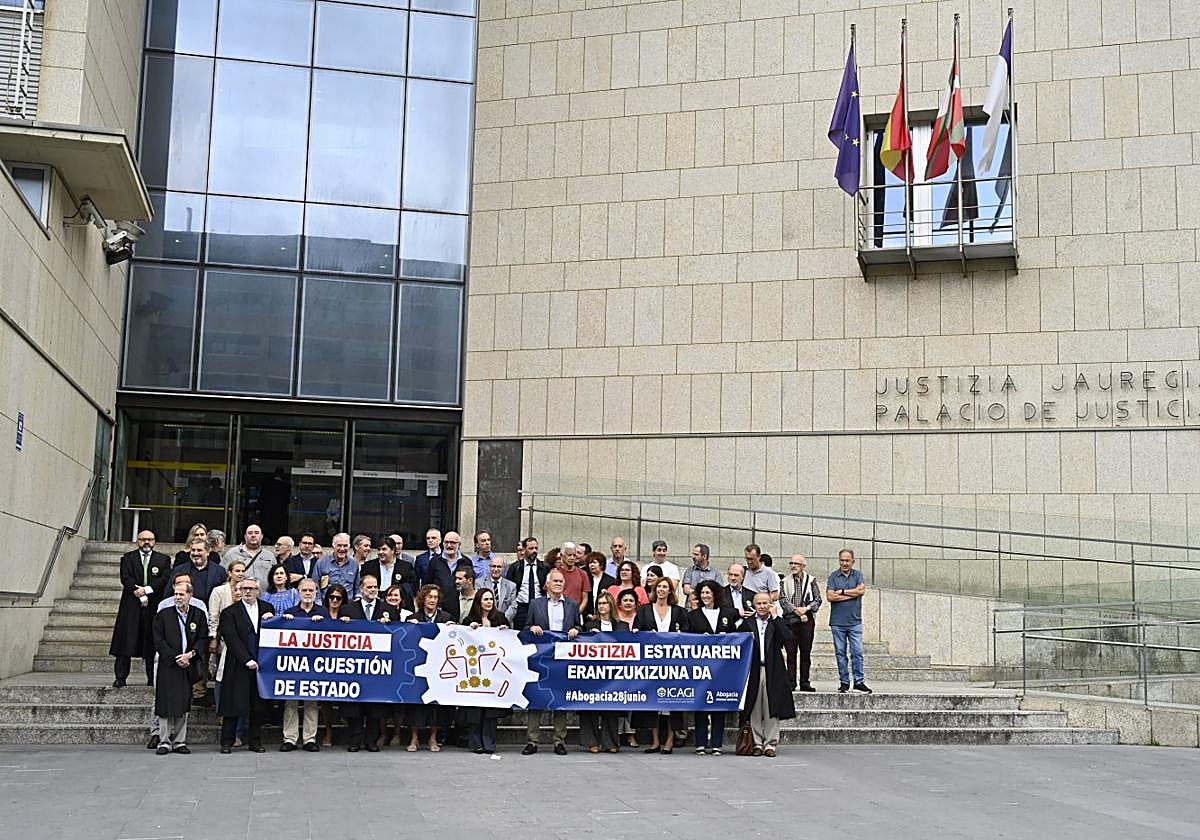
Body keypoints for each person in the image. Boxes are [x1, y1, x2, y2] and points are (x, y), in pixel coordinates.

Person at [522, 569, 579, 755]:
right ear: (547, 584)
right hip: (540, 658)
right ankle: (532, 740)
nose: (559, 583)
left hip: (563, 659)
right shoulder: (535, 604)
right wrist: (532, 627)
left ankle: (559, 741)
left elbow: (579, 625)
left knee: (560, 699)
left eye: (561, 581)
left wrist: (575, 630)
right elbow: (524, 627)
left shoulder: (572, 605)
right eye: (555, 580)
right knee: (536, 697)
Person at [217, 578, 274, 754]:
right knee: (233, 705)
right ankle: (227, 741)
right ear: (239, 590)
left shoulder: (267, 609)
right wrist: (246, 659)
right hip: (237, 664)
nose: (248, 591)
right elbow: (231, 638)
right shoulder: (229, 612)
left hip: (261, 666)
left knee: (257, 705)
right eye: (244, 588)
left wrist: (272, 620)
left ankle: (255, 742)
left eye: (251, 588)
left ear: (258, 590)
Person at [634, 576, 688, 754]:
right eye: (659, 587)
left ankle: (670, 741)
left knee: (673, 702)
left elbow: (687, 636)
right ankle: (655, 741)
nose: (662, 590)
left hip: (674, 665)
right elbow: (637, 632)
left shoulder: (679, 612)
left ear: (670, 591)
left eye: (665, 587)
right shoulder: (644, 611)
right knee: (653, 702)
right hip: (651, 664)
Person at [110, 530, 171, 688]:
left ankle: (152, 678)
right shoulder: (128, 558)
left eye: (150, 539)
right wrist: (137, 592)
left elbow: (164, 578)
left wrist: (147, 590)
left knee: (152, 641)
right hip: (131, 605)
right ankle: (121, 678)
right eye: (143, 539)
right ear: (138, 541)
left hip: (153, 605)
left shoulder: (163, 559)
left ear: (154, 541)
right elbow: (125, 577)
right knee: (125, 642)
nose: (146, 542)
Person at [151, 580, 206, 755]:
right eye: (175, 594)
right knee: (165, 702)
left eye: (181, 594)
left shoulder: (198, 614)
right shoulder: (164, 614)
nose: (178, 597)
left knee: (184, 702)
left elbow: (203, 638)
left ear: (190, 595)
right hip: (169, 664)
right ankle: (164, 741)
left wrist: (191, 654)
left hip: (188, 663)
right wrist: (175, 658)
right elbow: (159, 640)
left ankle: (180, 741)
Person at [170, 537, 227, 706]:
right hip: (184, 618)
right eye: (193, 550)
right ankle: (185, 689)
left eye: (199, 550)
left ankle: (200, 690)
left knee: (203, 655)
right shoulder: (180, 571)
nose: (195, 554)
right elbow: (169, 593)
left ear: (208, 552)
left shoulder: (219, 571)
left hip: (208, 619)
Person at [739, 592, 796, 756]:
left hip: (773, 669)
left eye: (765, 603)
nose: (762, 607)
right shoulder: (747, 623)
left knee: (772, 706)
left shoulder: (776, 622)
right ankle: (757, 743)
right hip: (754, 669)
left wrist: (776, 617)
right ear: (754, 605)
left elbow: (788, 637)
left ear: (770, 604)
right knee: (755, 707)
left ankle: (770, 743)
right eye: (759, 604)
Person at [687, 580, 740, 755]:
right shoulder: (693, 615)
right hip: (700, 668)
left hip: (722, 668)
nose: (705, 596)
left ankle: (717, 743)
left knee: (719, 705)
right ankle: (700, 743)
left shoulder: (728, 613)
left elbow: (738, 635)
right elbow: (686, 639)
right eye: (702, 593)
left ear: (715, 594)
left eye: (708, 593)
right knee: (701, 704)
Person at [278, 579, 328, 751]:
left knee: (311, 702)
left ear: (316, 592)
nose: (307, 593)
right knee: (290, 702)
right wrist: (284, 621)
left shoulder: (323, 612)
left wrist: (323, 624)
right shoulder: (290, 612)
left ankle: (309, 739)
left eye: (311, 590)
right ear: (299, 592)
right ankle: (290, 738)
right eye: (304, 590)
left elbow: (332, 637)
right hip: (293, 665)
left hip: (315, 665)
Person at [406, 585, 454, 752]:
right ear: (423, 599)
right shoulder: (414, 617)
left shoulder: (445, 617)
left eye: (435, 597)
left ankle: (433, 738)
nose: (432, 600)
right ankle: (414, 738)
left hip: (438, 665)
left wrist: (452, 629)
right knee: (416, 701)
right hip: (418, 663)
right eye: (429, 597)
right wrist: (409, 626)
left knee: (435, 703)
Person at [462, 588, 509, 754]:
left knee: (491, 709)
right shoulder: (470, 619)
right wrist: (469, 629)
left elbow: (509, 640)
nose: (489, 602)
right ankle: (476, 743)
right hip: (475, 670)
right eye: (486, 599)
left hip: (494, 671)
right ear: (479, 602)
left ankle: (489, 742)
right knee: (475, 709)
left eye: (491, 599)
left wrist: (505, 631)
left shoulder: (500, 618)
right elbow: (460, 640)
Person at [580, 591, 623, 753]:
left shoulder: (622, 626)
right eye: (599, 604)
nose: (602, 606)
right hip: (593, 671)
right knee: (590, 706)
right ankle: (591, 742)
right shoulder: (589, 625)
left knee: (611, 708)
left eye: (604, 603)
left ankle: (611, 742)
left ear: (611, 605)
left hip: (613, 672)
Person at [208, 558, 247, 731]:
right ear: (229, 573)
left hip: (242, 643)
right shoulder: (219, 591)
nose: (240, 574)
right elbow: (213, 615)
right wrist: (213, 637)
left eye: (242, 571)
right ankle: (221, 711)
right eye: (236, 571)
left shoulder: (248, 590)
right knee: (220, 675)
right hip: (222, 640)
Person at [826, 548, 870, 693]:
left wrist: (842, 592)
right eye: (842, 560)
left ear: (853, 561)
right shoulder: (833, 576)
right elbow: (830, 597)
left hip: (854, 621)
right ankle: (844, 681)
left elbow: (861, 591)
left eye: (847, 560)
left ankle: (859, 681)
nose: (844, 563)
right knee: (840, 653)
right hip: (837, 622)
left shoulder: (858, 575)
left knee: (857, 652)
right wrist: (853, 593)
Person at [780, 553, 823, 692]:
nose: (793, 566)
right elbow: (783, 600)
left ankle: (805, 682)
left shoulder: (811, 580)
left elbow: (818, 599)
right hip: (790, 620)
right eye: (791, 563)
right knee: (791, 653)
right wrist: (797, 611)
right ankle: (791, 682)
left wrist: (806, 609)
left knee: (806, 652)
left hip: (806, 620)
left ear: (803, 566)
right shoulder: (784, 581)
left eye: (796, 564)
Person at [425, 531, 470, 620]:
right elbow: (427, 585)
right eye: (446, 542)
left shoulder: (466, 562)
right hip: (439, 608)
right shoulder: (435, 561)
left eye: (453, 542)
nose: (449, 545)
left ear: (459, 544)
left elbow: (470, 586)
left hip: (460, 607)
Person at [505, 536, 547, 629]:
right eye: (531, 548)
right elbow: (509, 588)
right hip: (521, 607)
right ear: (524, 550)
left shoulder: (544, 567)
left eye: (536, 548)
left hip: (539, 607)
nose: (534, 551)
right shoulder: (515, 567)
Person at [361, 536, 413, 601]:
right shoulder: (368, 566)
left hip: (395, 601)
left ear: (393, 550)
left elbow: (410, 588)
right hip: (374, 600)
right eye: (379, 549)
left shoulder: (406, 567)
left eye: (384, 549)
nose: (380, 552)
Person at [224, 524, 274, 589]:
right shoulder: (231, 554)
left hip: (264, 597)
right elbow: (223, 576)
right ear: (245, 536)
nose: (253, 535)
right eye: (250, 533)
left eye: (256, 533)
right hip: (238, 596)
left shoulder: (270, 556)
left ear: (261, 536)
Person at [314, 533, 360, 601]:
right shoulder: (321, 563)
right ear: (333, 546)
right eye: (339, 545)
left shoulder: (354, 564)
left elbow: (357, 588)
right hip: (327, 605)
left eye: (345, 546)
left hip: (347, 606)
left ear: (349, 546)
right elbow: (315, 586)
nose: (342, 549)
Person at [556, 541, 591, 616]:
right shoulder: (554, 573)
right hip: (557, 613)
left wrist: (577, 613)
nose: (572, 558)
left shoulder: (583, 574)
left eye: (574, 555)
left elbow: (585, 598)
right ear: (562, 556)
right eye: (569, 555)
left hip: (576, 614)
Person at [479, 556, 518, 623]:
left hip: (504, 625)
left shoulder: (511, 586)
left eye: (499, 567)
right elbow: (477, 604)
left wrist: (502, 620)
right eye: (493, 566)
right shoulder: (479, 583)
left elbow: (513, 606)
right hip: (485, 624)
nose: (496, 569)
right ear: (489, 567)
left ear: (504, 569)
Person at [584, 551, 616, 619]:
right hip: (588, 617)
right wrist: (587, 614)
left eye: (594, 562)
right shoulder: (585, 579)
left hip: (605, 617)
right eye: (590, 563)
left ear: (601, 564)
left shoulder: (611, 580)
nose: (592, 565)